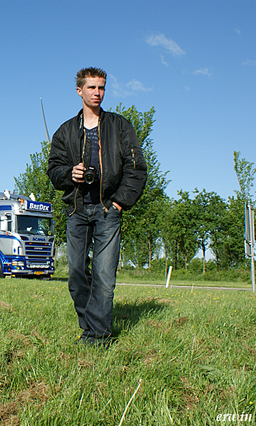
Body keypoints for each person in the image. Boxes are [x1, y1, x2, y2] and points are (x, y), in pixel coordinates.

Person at [47, 67, 147, 347]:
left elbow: (137, 167)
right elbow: (53, 170)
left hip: (107, 211)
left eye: (101, 88)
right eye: (91, 88)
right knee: (77, 274)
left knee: (104, 276)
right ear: (79, 91)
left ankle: (97, 336)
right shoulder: (65, 131)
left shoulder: (120, 126)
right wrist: (70, 173)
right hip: (77, 210)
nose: (97, 93)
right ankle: (89, 324)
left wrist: (119, 203)